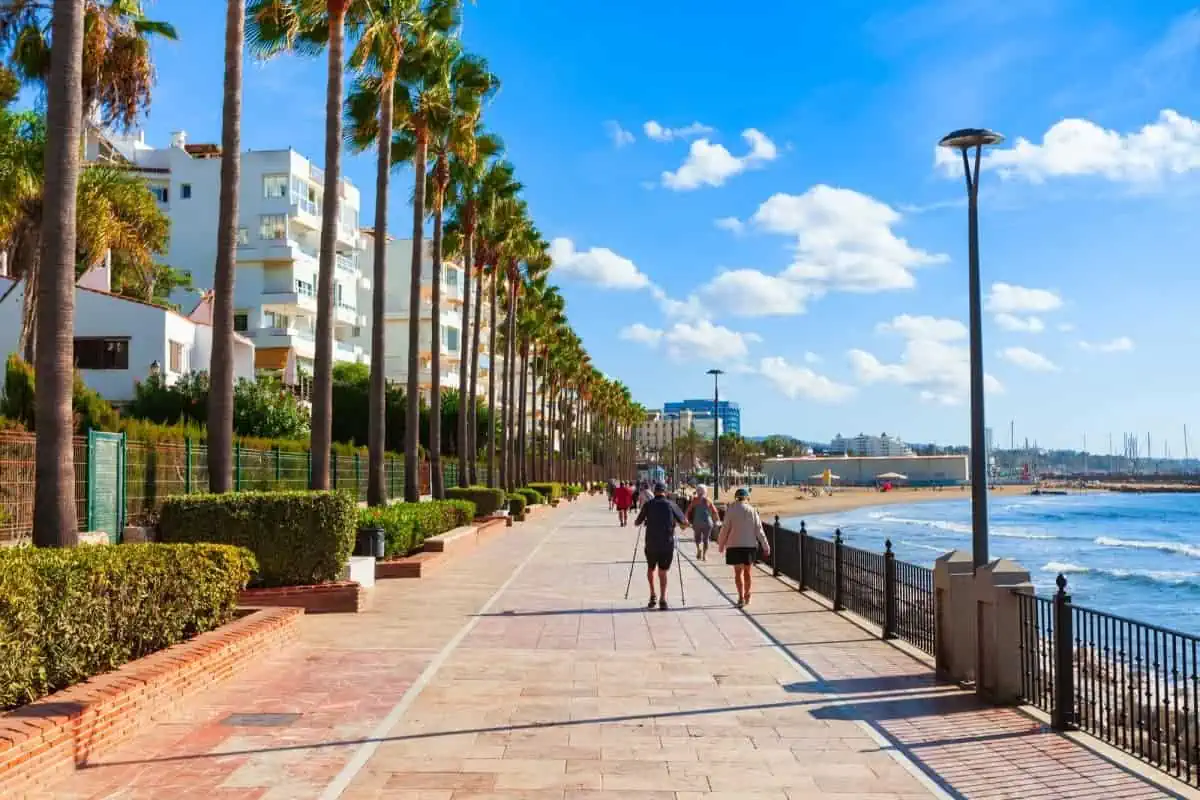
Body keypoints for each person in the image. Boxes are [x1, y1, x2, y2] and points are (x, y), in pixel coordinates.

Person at [634, 482, 688, 610]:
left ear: (655, 491)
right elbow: (684, 523)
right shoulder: (672, 505)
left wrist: (646, 520)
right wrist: (677, 524)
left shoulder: (648, 505)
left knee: (651, 568)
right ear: (666, 492)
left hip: (651, 543)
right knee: (663, 571)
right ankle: (663, 599)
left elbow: (637, 522)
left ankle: (652, 594)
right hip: (666, 544)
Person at [717, 487, 770, 608]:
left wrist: (721, 544)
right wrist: (766, 546)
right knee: (748, 572)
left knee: (738, 573)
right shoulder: (752, 510)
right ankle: (747, 594)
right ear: (747, 498)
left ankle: (740, 597)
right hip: (749, 546)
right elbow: (759, 530)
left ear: (736, 498)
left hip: (734, 545)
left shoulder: (731, 510)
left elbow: (725, 529)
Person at [685, 485, 719, 561]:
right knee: (706, 539)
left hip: (697, 522)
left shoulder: (695, 500)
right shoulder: (708, 500)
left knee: (697, 538)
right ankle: (704, 555)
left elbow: (688, 510)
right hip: (707, 522)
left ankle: (698, 549)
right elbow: (715, 511)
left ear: (697, 491)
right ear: (705, 491)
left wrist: (686, 518)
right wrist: (717, 521)